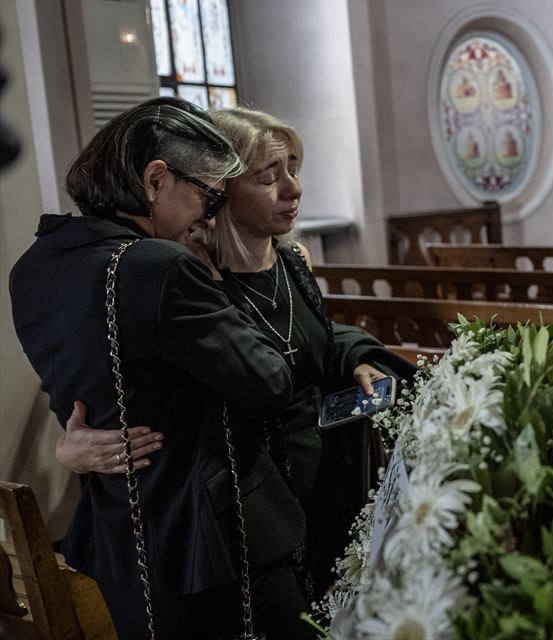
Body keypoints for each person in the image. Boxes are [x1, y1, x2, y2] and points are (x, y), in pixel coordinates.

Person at [57, 105, 416, 601]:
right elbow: (137, 388)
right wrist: (69, 449)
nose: (293, 188)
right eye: (269, 176)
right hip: (254, 498)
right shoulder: (188, 279)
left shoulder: (294, 259)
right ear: (221, 190)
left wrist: (355, 358)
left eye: (294, 169)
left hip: (327, 476)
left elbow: (316, 337)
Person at [8, 98, 316, 639]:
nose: (211, 215)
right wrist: (214, 282)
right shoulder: (159, 266)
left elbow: (96, 393)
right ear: (155, 180)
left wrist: (69, 446)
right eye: (209, 195)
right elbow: (269, 382)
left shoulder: (33, 267)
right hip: (213, 538)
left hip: (125, 536)